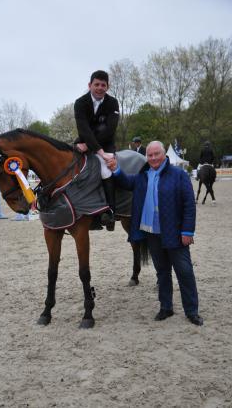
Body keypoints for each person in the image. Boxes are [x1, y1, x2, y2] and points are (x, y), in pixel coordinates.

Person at [107, 141, 203, 326]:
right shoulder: (143, 176)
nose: (152, 158)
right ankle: (166, 307)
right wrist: (116, 169)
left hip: (175, 233)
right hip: (152, 233)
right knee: (162, 272)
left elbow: (189, 205)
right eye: (149, 155)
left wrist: (187, 231)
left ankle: (191, 311)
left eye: (156, 154)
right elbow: (126, 182)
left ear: (163, 154)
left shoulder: (179, 175)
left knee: (184, 272)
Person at [74, 70, 119, 231]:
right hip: (84, 143)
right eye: (96, 84)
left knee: (105, 170)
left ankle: (110, 212)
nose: (100, 88)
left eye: (103, 85)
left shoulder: (113, 103)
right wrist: (94, 149)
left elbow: (109, 130)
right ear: (90, 85)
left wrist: (98, 150)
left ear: (107, 86)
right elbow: (83, 128)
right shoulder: (80, 102)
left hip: (106, 144)